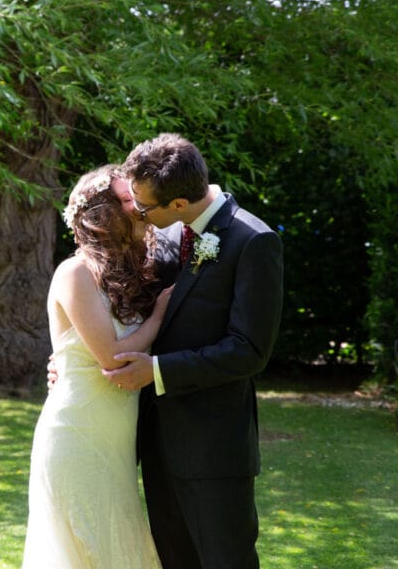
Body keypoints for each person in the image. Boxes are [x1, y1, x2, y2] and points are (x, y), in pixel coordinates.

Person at [103, 133, 284, 569]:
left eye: (144, 208)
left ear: (180, 204)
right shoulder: (165, 236)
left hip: (214, 447)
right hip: (157, 440)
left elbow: (249, 350)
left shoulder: (253, 241)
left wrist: (158, 371)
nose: (140, 216)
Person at [22, 165, 171, 569]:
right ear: (101, 214)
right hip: (77, 432)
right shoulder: (74, 273)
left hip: (117, 436)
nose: (137, 208)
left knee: (118, 541)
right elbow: (112, 359)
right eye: (126, 201)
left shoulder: (127, 273)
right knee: (89, 547)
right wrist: (158, 317)